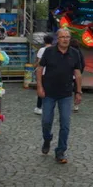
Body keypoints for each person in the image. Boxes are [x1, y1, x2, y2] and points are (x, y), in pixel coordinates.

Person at [36, 28, 82, 164]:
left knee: (65, 123)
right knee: (46, 121)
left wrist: (78, 92)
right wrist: (39, 86)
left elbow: (77, 74)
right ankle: (47, 138)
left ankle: (60, 151)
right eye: (62, 37)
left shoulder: (75, 53)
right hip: (49, 92)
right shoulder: (49, 52)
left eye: (67, 37)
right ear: (57, 38)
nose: (65, 39)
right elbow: (39, 69)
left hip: (66, 93)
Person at [34, 34, 54, 115]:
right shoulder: (54, 49)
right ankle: (48, 107)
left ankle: (39, 107)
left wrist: (34, 66)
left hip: (42, 72)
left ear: (44, 41)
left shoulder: (42, 49)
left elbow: (39, 61)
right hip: (51, 72)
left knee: (41, 89)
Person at [69, 38, 85, 112]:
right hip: (77, 72)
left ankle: (66, 103)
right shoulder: (79, 52)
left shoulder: (69, 51)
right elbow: (83, 63)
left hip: (69, 72)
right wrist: (80, 72)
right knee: (77, 88)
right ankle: (76, 105)